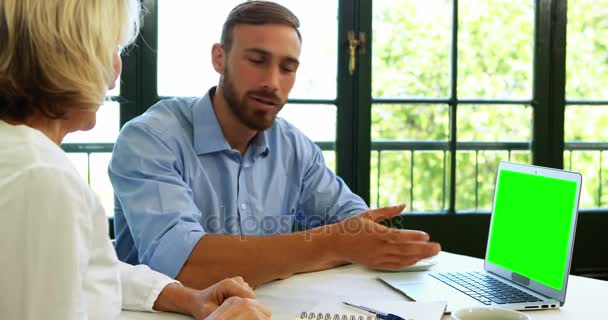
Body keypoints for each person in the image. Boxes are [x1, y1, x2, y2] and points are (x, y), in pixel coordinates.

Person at [109, 0, 441, 290]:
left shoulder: (295, 147)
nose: (272, 82)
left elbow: (356, 227)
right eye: (257, 60)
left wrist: (359, 239)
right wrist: (333, 244)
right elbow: (184, 265)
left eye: (288, 68)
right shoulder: (149, 139)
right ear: (219, 58)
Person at [0, 0, 271, 319]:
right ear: (67, 54)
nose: (117, 68)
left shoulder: (21, 158)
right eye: (112, 47)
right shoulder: (43, 178)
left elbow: (80, 267)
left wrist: (187, 297)